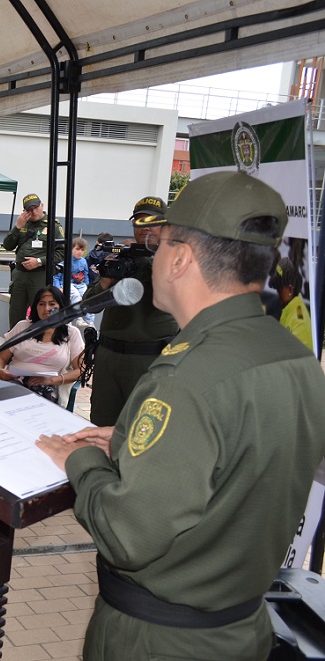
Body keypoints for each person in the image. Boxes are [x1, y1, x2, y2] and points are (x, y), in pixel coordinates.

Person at [36, 171, 325, 661]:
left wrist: (78, 461)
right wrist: (129, 443)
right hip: (241, 627)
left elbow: (128, 535)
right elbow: (236, 463)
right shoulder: (294, 355)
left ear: (181, 258)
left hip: (159, 642)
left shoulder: (186, 376)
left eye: (162, 241)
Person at [88, 196, 178, 426]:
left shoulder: (177, 258)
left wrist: (144, 258)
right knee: (102, 423)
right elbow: (89, 304)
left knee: (144, 428)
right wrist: (106, 279)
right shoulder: (121, 257)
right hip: (109, 356)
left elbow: (169, 298)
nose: (144, 227)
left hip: (150, 359)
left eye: (152, 222)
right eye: (139, 222)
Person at [0, 286, 85, 403]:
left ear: (61, 307)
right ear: (35, 307)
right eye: (41, 304)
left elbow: (81, 371)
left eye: (52, 304)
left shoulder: (71, 333)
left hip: (47, 387)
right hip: (15, 382)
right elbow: (1, 357)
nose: (46, 309)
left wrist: (52, 380)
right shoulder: (23, 327)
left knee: (36, 402)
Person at [3, 193, 66, 328]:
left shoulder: (53, 226)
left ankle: (40, 341)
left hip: (38, 275)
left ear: (42, 206)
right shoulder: (23, 224)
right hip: (19, 275)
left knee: (40, 311)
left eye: (35, 208)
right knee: (16, 312)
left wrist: (39, 261)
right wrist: (17, 227)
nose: (33, 212)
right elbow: (8, 246)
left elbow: (62, 252)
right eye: (29, 209)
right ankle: (15, 344)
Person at [269, 257, 313, 352]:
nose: (277, 292)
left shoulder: (298, 318)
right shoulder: (289, 310)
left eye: (279, 288)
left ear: (290, 289)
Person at [53, 236, 93, 324]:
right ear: (71, 249)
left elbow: (86, 274)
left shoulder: (83, 261)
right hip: (67, 284)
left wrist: (87, 285)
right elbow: (56, 276)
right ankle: (79, 318)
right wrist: (58, 288)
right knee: (76, 296)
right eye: (77, 249)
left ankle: (90, 321)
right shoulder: (65, 261)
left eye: (82, 250)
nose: (80, 252)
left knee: (88, 297)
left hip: (80, 284)